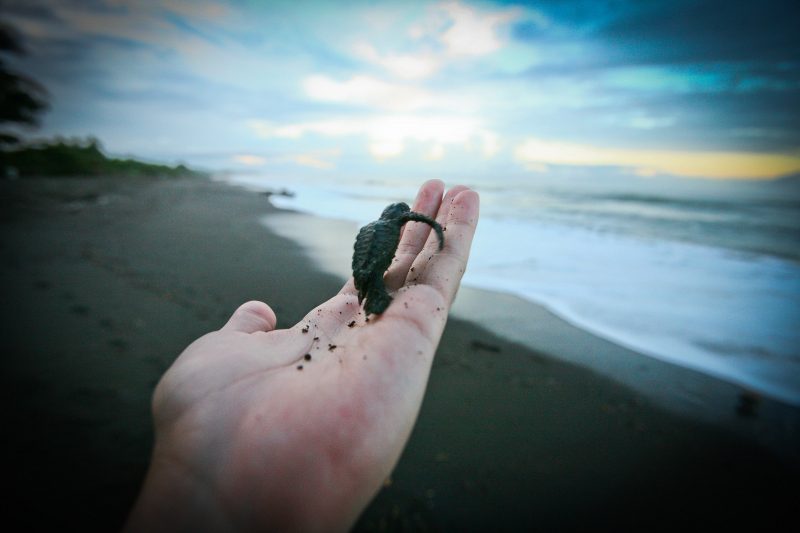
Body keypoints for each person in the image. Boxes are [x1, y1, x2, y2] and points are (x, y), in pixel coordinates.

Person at [123, 181, 480, 532]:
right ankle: (377, 295)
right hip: (375, 269)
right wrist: (439, 235)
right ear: (401, 219)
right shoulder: (397, 225)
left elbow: (370, 248)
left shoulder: (372, 227)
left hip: (364, 273)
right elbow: (427, 225)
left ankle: (373, 293)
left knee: (373, 287)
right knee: (381, 291)